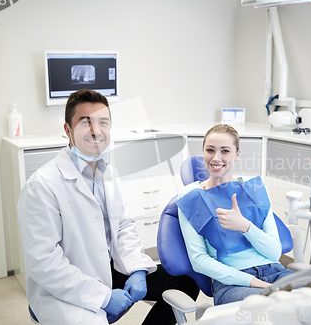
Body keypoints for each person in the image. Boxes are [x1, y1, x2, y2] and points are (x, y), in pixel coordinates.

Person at [18, 89, 199, 325]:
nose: (96, 131)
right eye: (86, 122)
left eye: (103, 122)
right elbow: (44, 264)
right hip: (65, 287)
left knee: (187, 280)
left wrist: (137, 270)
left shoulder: (108, 173)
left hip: (109, 268)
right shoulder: (42, 186)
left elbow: (123, 226)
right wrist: (103, 297)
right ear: (68, 131)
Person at [176, 124, 293, 306]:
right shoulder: (191, 196)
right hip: (232, 283)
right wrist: (253, 282)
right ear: (203, 152)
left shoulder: (253, 189)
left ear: (237, 154)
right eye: (210, 150)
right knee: (270, 305)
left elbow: (274, 252)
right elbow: (199, 260)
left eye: (225, 151)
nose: (216, 158)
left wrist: (245, 226)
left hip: (276, 272)